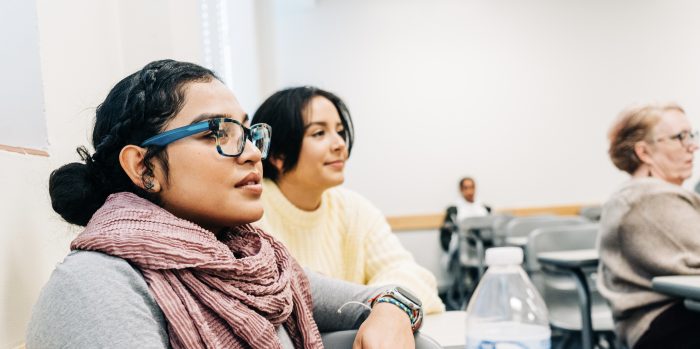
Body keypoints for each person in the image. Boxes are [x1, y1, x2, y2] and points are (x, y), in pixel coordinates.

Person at [26, 60, 422, 348]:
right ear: (144, 166)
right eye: (218, 131)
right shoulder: (95, 286)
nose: (252, 152)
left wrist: (390, 310)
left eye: (249, 133)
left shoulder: (252, 264)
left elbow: (384, 295)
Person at [251, 86, 445, 314]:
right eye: (318, 133)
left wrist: (389, 308)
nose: (339, 144)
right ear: (277, 155)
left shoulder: (354, 209)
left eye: (340, 131)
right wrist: (377, 302)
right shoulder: (250, 210)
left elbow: (412, 275)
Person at [599, 102, 700, 349]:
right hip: (667, 323)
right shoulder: (646, 197)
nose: (693, 145)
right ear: (644, 152)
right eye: (680, 137)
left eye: (692, 135)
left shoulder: (649, 194)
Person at [439, 177, 491, 252]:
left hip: (482, 249)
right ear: (461, 190)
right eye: (466, 188)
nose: (470, 191)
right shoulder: (454, 210)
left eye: (472, 187)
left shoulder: (484, 209)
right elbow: (445, 236)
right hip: (460, 250)